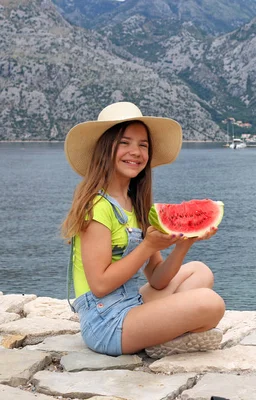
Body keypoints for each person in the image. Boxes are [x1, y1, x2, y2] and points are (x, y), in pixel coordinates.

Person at [61, 102, 225, 359]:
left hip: (131, 304)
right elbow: (100, 285)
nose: (135, 152)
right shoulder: (96, 207)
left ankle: (161, 336)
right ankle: (168, 337)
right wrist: (148, 246)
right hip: (105, 322)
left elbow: (157, 280)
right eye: (124, 143)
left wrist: (184, 242)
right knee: (211, 303)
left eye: (143, 145)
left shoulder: (136, 204)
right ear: (105, 148)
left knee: (200, 272)